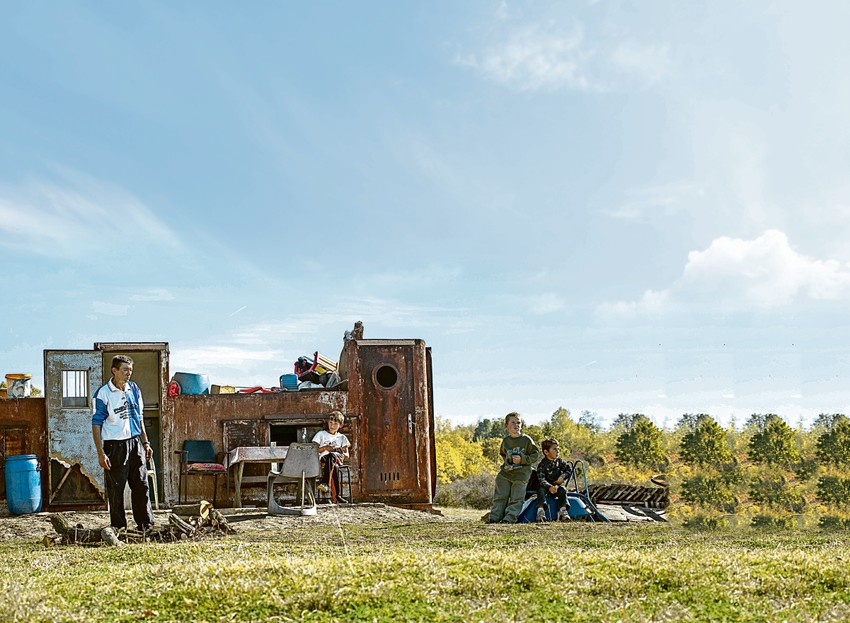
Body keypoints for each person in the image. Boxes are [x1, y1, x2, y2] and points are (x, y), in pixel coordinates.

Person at [91, 355, 155, 532]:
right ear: (114, 370)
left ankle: (145, 525)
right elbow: (96, 424)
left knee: (141, 485)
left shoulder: (134, 389)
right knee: (116, 490)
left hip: (135, 443)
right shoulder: (103, 394)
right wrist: (100, 453)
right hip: (114, 446)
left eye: (131, 370)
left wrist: (146, 443)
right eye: (125, 370)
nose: (129, 373)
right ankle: (118, 528)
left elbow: (139, 418)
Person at [488, 412, 541, 524]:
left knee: (517, 498)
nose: (516, 425)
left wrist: (522, 459)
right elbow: (503, 453)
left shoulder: (526, 440)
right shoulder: (506, 441)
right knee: (500, 497)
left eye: (518, 423)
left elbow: (535, 455)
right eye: (513, 422)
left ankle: (509, 518)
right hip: (506, 473)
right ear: (506, 425)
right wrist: (509, 462)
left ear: (522, 425)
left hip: (521, 474)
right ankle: (494, 517)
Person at [311, 410, 351, 503]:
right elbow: (313, 449)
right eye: (330, 423)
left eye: (335, 424)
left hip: (338, 459)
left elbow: (347, 455)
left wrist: (341, 453)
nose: (332, 426)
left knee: (333, 457)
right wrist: (325, 448)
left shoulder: (342, 437)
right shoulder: (321, 434)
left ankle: (325, 483)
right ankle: (337, 496)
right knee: (333, 462)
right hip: (324, 460)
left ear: (340, 425)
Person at [536, 438, 573, 522]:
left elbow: (569, 470)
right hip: (546, 487)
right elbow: (541, 479)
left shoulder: (560, 462)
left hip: (557, 486)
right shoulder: (542, 465)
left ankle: (563, 511)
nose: (557, 451)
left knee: (563, 489)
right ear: (546, 452)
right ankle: (540, 512)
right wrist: (549, 487)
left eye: (558, 449)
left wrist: (562, 477)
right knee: (540, 490)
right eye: (554, 449)